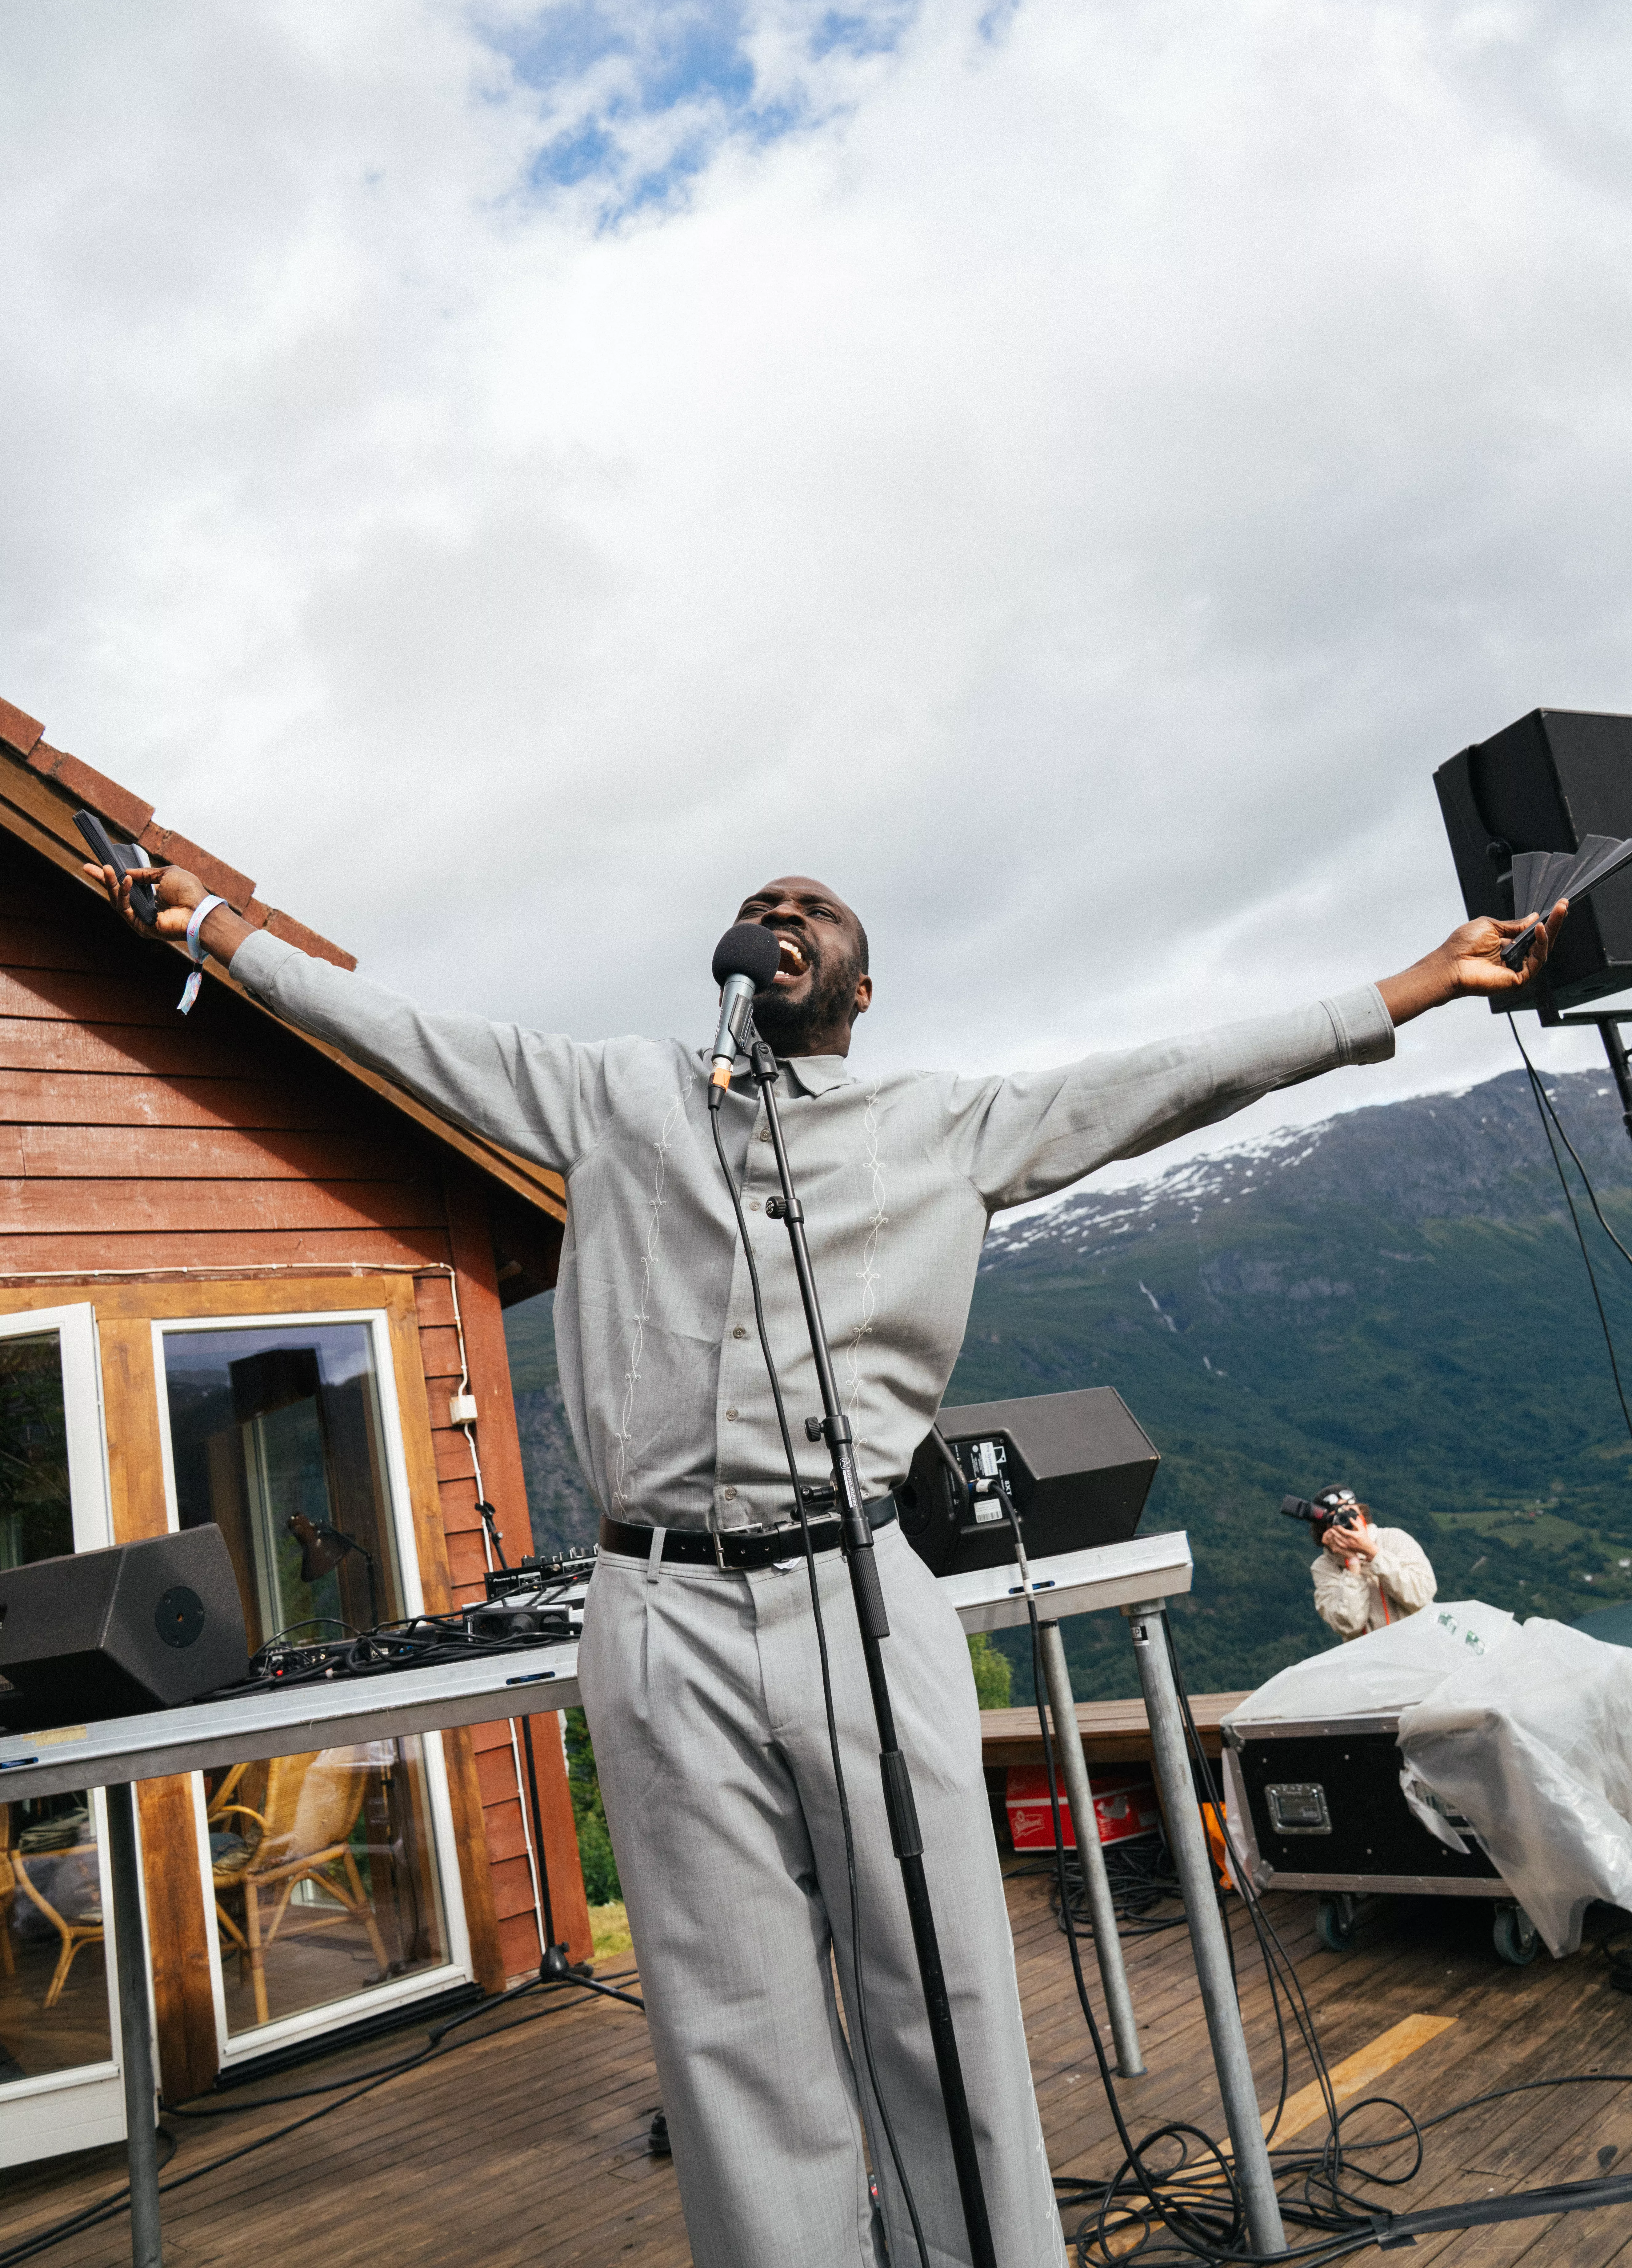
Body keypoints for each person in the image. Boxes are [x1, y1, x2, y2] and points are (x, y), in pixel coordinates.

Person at [86, 850, 1565, 2268]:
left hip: (856, 1593)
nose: (781, 911)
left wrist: (1404, 989)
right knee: (734, 2033)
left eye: (817, 908)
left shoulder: (946, 1121)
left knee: (938, 1992)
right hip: (656, 1610)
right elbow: (404, 1033)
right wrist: (215, 930)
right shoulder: (615, 1095)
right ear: (731, 964)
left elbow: (1168, 1077)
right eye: (758, 904)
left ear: (860, 991)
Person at [1307, 1486, 1437, 1640]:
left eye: (1351, 1514)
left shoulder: (1394, 1539)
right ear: (1325, 1529)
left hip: (1421, 1647)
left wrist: (1374, 1553)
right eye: (1339, 1519)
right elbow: (1349, 1624)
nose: (1348, 1522)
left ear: (1361, 1513)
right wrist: (1353, 1564)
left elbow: (1421, 1595)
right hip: (1371, 1659)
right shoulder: (1324, 1567)